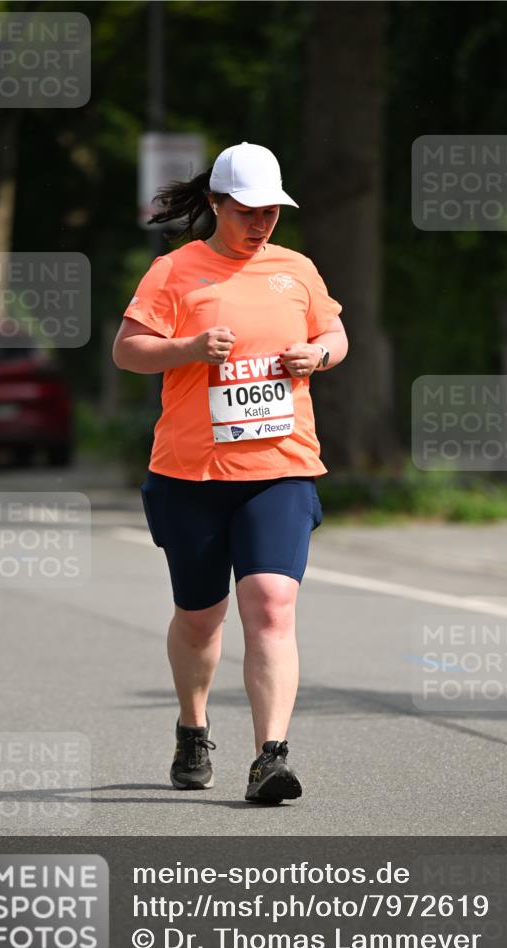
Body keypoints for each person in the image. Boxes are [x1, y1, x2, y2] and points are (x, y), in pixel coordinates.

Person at [113, 141, 348, 804]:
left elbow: (334, 334)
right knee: (200, 617)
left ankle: (269, 757)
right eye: (246, 210)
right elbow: (127, 350)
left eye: (270, 210)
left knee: (271, 606)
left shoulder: (295, 269)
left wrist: (318, 356)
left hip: (280, 468)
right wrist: (185, 348)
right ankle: (193, 729)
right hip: (190, 475)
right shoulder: (175, 272)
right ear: (215, 204)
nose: (260, 222)